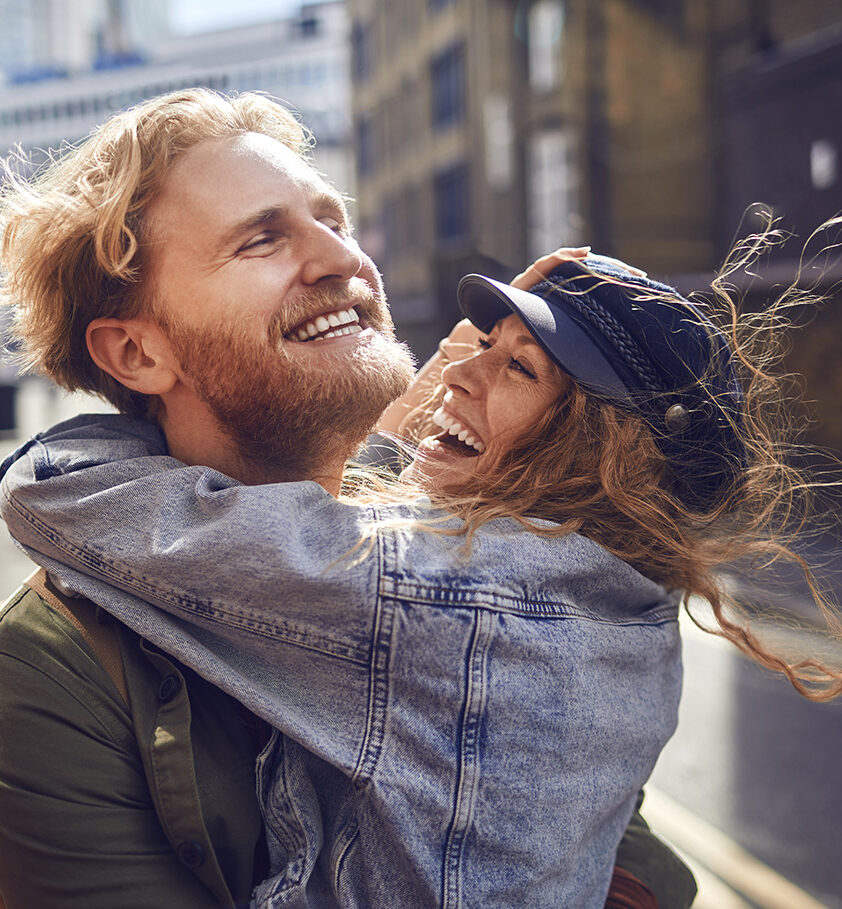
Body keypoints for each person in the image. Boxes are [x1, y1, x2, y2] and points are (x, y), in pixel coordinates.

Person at [0, 88, 695, 908]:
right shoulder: (47, 676)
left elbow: (635, 856)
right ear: (135, 351)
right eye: (262, 239)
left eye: (333, 221)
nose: (343, 260)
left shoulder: (469, 566)